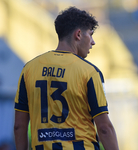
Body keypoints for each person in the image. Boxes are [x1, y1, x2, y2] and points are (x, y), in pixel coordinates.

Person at [14, 6, 119, 150]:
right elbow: (104, 127)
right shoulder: (89, 72)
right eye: (91, 34)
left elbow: (19, 126)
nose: (93, 42)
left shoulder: (29, 69)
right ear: (78, 35)